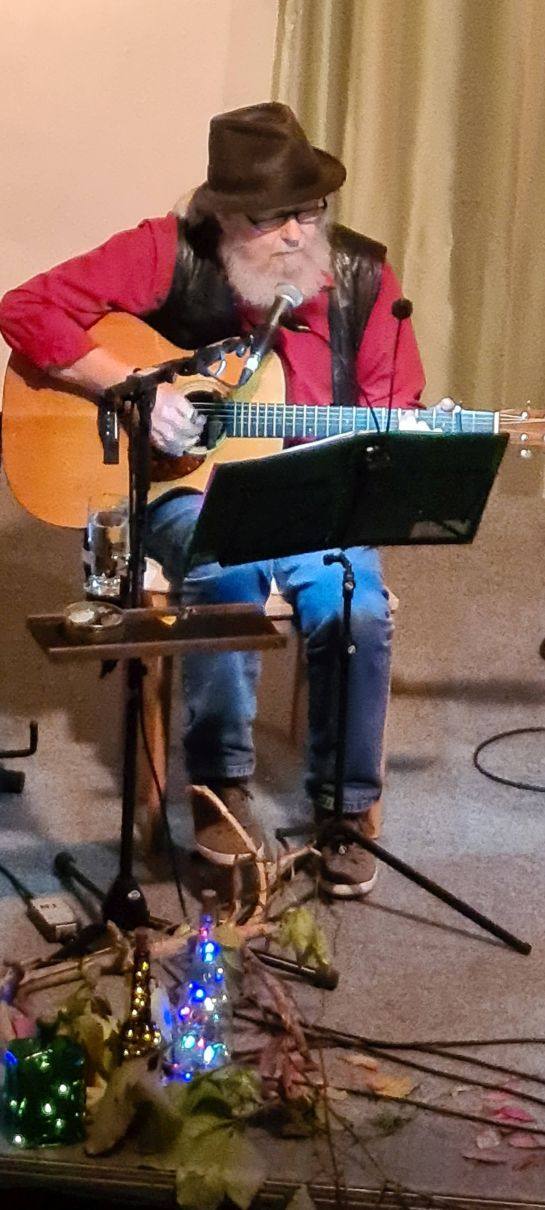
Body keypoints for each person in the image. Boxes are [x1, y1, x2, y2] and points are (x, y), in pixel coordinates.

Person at [0, 102, 425, 898]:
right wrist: (131, 388)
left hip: (312, 486)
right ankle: (218, 784)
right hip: (186, 487)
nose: (297, 233)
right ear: (224, 216)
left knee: (356, 604)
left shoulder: (363, 276)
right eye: (272, 218)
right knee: (227, 569)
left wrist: (384, 454)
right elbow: (24, 309)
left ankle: (345, 806)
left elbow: (390, 404)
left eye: (310, 210)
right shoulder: (165, 252)